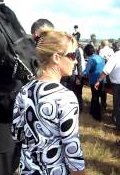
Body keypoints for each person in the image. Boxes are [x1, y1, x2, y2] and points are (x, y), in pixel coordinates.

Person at [0, 19, 54, 175]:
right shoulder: (6, 60)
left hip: (1, 135)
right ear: (37, 35)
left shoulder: (8, 58)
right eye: (48, 37)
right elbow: (6, 100)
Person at [12, 30, 85, 175]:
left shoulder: (25, 90)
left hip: (28, 170)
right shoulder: (66, 97)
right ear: (56, 58)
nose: (76, 61)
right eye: (72, 55)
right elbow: (72, 148)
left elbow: (16, 134)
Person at [94, 42, 120, 133]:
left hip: (118, 84)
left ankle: (119, 126)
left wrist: (98, 81)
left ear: (114, 48)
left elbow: (106, 71)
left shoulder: (115, 56)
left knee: (117, 106)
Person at [83, 44, 106, 121]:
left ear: (86, 52)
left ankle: (97, 116)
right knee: (96, 97)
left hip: (95, 81)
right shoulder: (100, 57)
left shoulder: (91, 60)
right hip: (102, 80)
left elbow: (86, 71)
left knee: (95, 97)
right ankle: (92, 111)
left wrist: (80, 74)